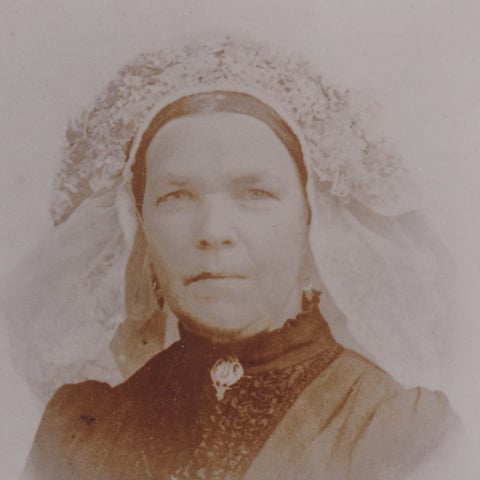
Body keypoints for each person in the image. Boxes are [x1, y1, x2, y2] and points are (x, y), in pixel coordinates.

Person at [6, 37, 464, 479]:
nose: (212, 232)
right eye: (177, 196)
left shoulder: (401, 435)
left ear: (311, 223)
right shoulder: (79, 436)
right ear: (140, 226)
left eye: (256, 194)